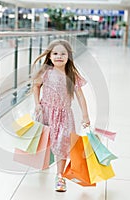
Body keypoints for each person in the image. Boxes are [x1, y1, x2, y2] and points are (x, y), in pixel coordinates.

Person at [32, 39, 90, 192]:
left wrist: (85, 116)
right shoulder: (45, 72)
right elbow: (36, 86)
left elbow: (80, 96)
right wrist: (37, 104)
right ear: (49, 56)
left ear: (68, 57)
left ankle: (60, 176)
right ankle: (43, 162)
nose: (59, 56)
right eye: (55, 53)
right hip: (46, 112)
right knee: (45, 141)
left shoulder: (72, 75)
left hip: (64, 115)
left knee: (62, 143)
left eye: (63, 54)